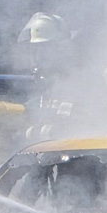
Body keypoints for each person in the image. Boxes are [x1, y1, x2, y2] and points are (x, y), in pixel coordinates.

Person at [17, 12, 76, 141]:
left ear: (61, 49)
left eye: (45, 48)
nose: (38, 56)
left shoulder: (80, 83)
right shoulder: (45, 87)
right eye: (35, 49)